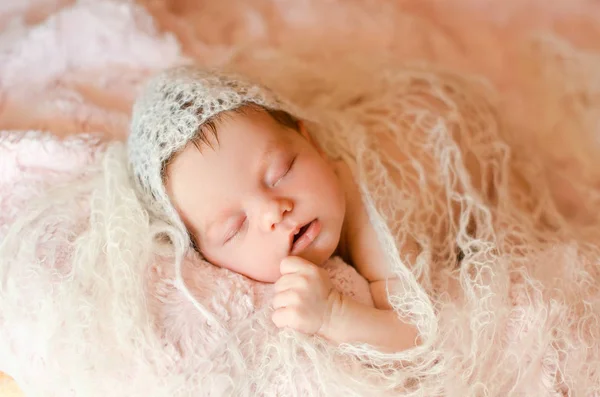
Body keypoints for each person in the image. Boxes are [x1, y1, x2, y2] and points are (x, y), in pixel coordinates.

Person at [128, 66, 422, 353]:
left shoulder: (370, 209)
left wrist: (332, 314)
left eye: (281, 172)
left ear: (311, 142)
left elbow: (419, 334)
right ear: (205, 258)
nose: (273, 211)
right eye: (236, 227)